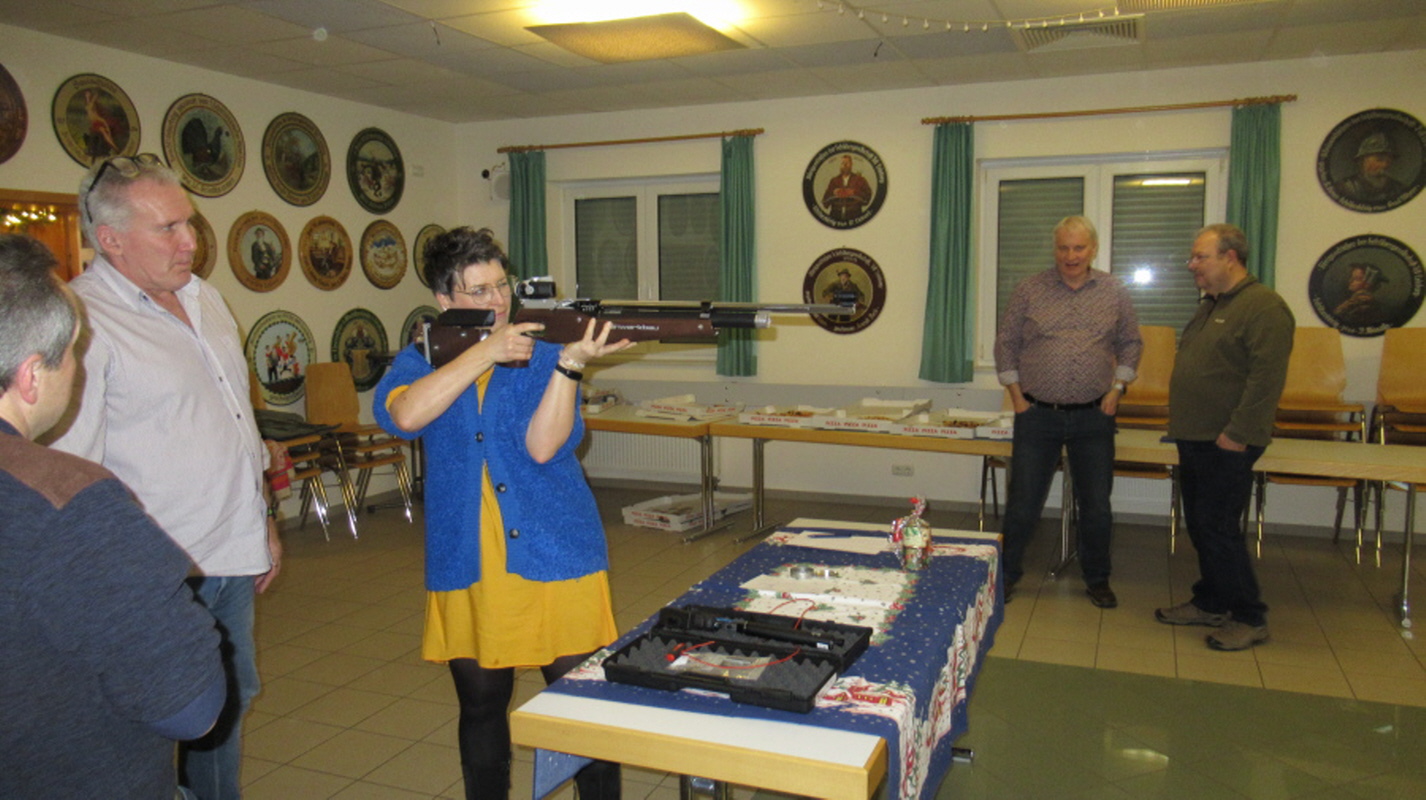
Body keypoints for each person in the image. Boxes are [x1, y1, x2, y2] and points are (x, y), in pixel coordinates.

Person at [373, 227, 633, 799]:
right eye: (478, 290)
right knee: (482, 705)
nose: (496, 300)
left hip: (556, 548)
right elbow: (404, 416)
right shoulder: (421, 358)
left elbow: (544, 447)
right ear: (444, 299)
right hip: (471, 557)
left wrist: (569, 364)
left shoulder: (545, 350)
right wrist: (484, 353)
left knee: (584, 710)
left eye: (501, 285)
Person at [51, 154, 281, 800]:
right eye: (169, 229)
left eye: (190, 223)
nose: (191, 242)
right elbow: (72, 472)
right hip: (155, 571)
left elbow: (237, 418)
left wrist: (264, 518)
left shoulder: (206, 298)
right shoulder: (84, 322)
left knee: (227, 706)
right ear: (111, 239)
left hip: (231, 550)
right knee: (157, 721)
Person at [0, 234, 225, 799]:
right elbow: (190, 704)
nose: (77, 369)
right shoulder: (69, 503)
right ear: (31, 376)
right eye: (72, 352)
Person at [1156, 223, 1294, 651]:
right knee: (1202, 525)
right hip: (1195, 436)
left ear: (1230, 258)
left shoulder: (1264, 307)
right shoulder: (1212, 304)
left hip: (1227, 440)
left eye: (1200, 257)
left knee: (1218, 528)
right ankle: (1211, 601)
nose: (1191, 265)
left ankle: (1250, 617)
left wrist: (1238, 433)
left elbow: (1266, 380)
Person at [993, 215, 1142, 608]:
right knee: (1023, 503)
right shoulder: (1030, 290)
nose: (1070, 256)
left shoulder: (1114, 291)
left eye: (1078, 248)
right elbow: (1006, 343)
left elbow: (1131, 343)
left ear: (1093, 249)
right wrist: (1016, 396)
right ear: (1054, 249)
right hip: (1037, 414)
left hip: (1095, 415)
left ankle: (1097, 578)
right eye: (1063, 247)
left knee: (1096, 505)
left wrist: (1118, 388)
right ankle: (1005, 576)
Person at [1334, 132, 1408, 205]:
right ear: (1362, 161)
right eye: (1380, 159)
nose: (1385, 165)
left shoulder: (1399, 189)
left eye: (1389, 161)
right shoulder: (1345, 188)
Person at [1332, 262, 1388, 328]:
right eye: (1351, 277)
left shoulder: (1363, 305)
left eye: (1356, 279)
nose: (1350, 281)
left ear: (1368, 284)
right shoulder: (1355, 301)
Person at [821, 154, 872, 222]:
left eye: (847, 163)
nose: (845, 165)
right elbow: (825, 202)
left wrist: (854, 192)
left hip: (855, 217)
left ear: (851, 164)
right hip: (835, 217)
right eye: (842, 163)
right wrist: (834, 192)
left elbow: (867, 199)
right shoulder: (834, 181)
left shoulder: (860, 180)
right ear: (839, 165)